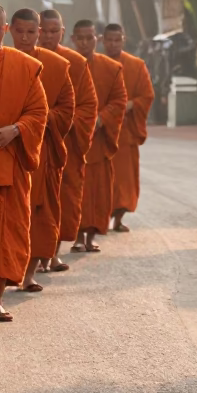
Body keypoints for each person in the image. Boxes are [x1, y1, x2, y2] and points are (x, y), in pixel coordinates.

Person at [0, 3, 48, 321]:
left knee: (9, 230)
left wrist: (16, 130)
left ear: (5, 30)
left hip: (11, 160)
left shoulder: (24, 66)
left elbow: (38, 111)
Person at [10, 9, 75, 292]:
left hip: (41, 148)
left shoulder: (57, 66)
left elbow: (67, 109)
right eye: (20, 32)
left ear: (39, 33)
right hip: (4, 147)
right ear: (10, 31)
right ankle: (3, 271)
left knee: (40, 211)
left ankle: (29, 274)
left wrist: (40, 117)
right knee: (5, 212)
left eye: (31, 32)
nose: (25, 38)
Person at [37, 9, 98, 270]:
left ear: (62, 33)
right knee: (34, 199)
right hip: (32, 140)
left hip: (64, 141)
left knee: (63, 196)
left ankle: (53, 252)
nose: (49, 36)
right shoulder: (25, 59)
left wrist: (63, 120)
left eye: (54, 32)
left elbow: (88, 105)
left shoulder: (75, 62)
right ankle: (33, 255)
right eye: (44, 31)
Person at [70, 19, 127, 253]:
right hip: (72, 137)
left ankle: (91, 235)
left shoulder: (112, 69)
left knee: (97, 189)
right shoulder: (65, 64)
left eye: (89, 37)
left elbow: (119, 100)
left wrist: (101, 118)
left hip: (99, 139)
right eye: (80, 38)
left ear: (97, 39)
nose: (85, 42)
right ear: (73, 39)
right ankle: (76, 235)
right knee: (74, 189)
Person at [104, 23, 155, 231]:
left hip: (125, 132)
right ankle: (99, 218)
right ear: (103, 40)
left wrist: (131, 104)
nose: (114, 44)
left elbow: (147, 95)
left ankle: (118, 219)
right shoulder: (93, 63)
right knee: (102, 177)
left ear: (123, 39)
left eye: (118, 40)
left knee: (124, 178)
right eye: (110, 40)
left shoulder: (136, 65)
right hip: (102, 130)